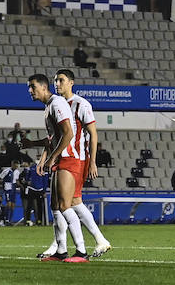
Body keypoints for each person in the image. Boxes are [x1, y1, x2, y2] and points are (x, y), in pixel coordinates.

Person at [26, 73, 88, 263]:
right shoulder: (49, 106)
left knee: (64, 205)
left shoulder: (57, 103)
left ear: (44, 87)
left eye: (33, 87)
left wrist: (52, 157)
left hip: (68, 158)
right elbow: (53, 138)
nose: (30, 90)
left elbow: (68, 133)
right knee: (55, 207)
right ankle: (61, 251)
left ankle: (81, 251)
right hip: (61, 159)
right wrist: (32, 144)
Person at [51, 69, 111, 257]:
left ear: (71, 82)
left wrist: (93, 162)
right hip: (65, 158)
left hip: (77, 159)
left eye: (61, 80)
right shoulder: (58, 104)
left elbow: (93, 134)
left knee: (69, 203)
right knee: (70, 202)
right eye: (55, 80)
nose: (57, 84)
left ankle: (76, 246)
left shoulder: (81, 104)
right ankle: (95, 241)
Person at [23, 160, 49, 226]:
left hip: (40, 189)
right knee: (29, 206)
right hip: (32, 189)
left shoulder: (43, 168)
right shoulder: (32, 168)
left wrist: (44, 191)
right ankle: (28, 220)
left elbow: (45, 180)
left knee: (39, 206)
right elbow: (27, 178)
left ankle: (39, 220)